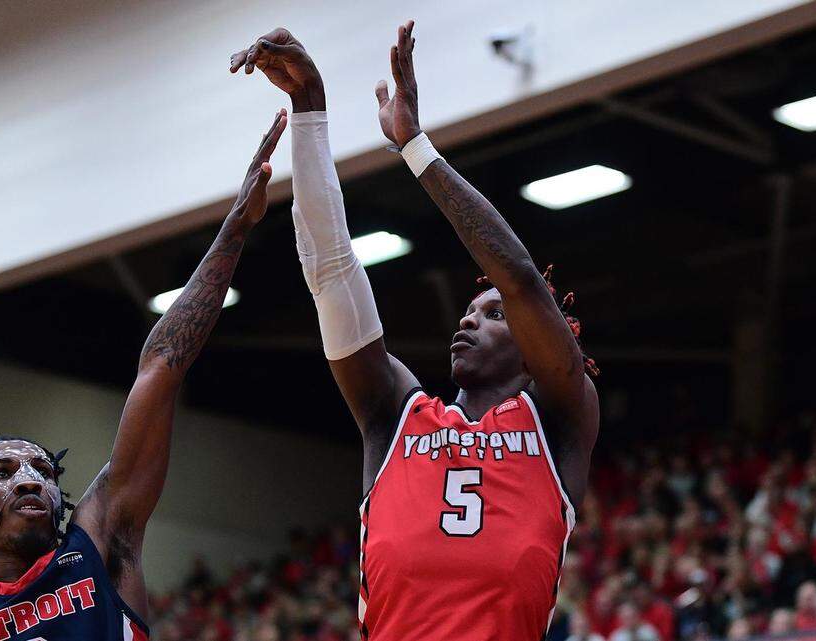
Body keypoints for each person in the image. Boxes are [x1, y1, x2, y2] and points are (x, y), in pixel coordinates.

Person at [0, 110, 289, 641]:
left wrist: (234, 231)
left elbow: (160, 368)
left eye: (42, 468)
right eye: (2, 472)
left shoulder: (102, 542)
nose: (29, 478)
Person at [234, 20, 600, 641]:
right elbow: (330, 271)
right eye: (468, 311)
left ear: (541, 348)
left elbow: (518, 278)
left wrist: (415, 147)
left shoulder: (559, 416)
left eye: (492, 314)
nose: (467, 318)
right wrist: (310, 110)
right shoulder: (395, 414)